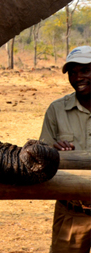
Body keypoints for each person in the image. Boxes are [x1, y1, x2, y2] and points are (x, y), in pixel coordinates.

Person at [40, 46, 91, 252]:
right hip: (72, 212)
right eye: (73, 72)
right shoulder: (56, 110)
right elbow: (39, 157)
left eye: (85, 70)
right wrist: (53, 153)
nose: (78, 77)